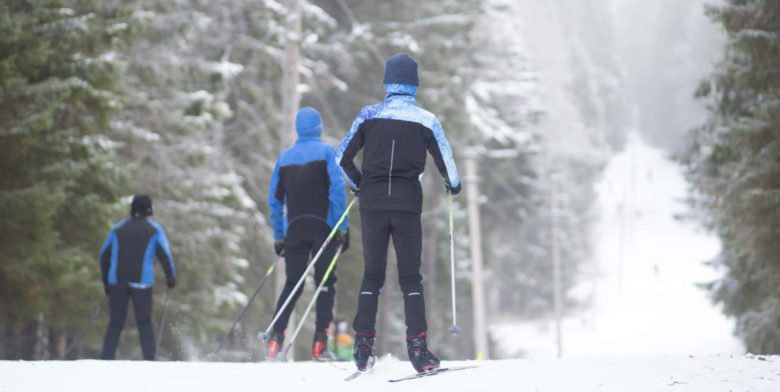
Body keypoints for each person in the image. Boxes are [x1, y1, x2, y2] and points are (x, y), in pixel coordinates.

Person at [336, 53, 462, 373]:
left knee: (372, 275)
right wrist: (453, 185)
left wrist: (359, 184)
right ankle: (418, 350)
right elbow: (446, 162)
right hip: (407, 205)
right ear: (414, 84)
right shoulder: (426, 120)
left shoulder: (368, 115)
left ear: (387, 82)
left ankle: (363, 347)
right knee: (410, 277)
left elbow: (342, 157)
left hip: (373, 204)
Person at [266, 107, 350, 360]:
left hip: (294, 230)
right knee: (325, 283)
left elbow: (274, 201)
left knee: (294, 283)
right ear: (319, 127)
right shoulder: (327, 153)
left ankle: (275, 338)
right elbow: (337, 192)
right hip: (322, 228)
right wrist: (341, 229)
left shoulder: (284, 158)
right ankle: (320, 343)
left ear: (298, 129)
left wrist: (280, 235)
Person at [99, 194, 176, 360]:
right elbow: (165, 254)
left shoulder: (117, 229)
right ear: (149, 210)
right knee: (144, 322)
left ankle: (105, 358)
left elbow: (104, 255)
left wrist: (106, 282)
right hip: (142, 282)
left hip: (117, 281)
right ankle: (149, 359)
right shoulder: (154, 230)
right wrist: (170, 277)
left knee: (116, 322)